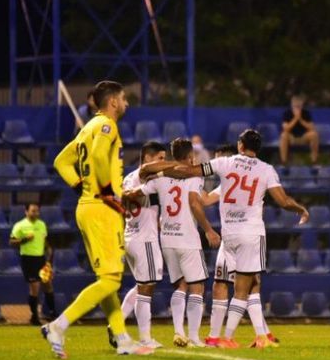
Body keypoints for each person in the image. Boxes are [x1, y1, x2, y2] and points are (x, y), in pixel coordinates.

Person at [141, 129, 309, 348]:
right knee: (247, 286)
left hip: (228, 235)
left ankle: (252, 334)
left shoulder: (225, 165)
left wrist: (159, 173)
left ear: (240, 145)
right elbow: (283, 200)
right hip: (251, 233)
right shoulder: (266, 170)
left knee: (224, 285)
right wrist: (300, 209)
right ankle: (232, 337)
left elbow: (190, 173)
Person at [45, 80, 152, 358]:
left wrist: (80, 185)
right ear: (113, 102)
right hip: (102, 210)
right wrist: (105, 190)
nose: (127, 103)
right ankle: (59, 325)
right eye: (124, 98)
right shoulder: (107, 126)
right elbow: (98, 155)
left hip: (87, 206)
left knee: (107, 279)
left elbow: (60, 162)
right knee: (111, 281)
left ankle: (122, 337)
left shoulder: (86, 129)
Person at [124, 138, 221, 348]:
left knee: (180, 285)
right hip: (187, 238)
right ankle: (194, 337)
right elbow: (195, 202)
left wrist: (126, 194)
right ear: (190, 157)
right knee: (197, 287)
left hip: (167, 239)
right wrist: (209, 230)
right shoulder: (194, 175)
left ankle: (178, 331)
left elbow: (138, 192)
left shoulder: (161, 176)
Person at [201, 147, 278, 348]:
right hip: (233, 241)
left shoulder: (239, 177)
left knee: (250, 284)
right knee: (223, 284)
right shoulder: (227, 183)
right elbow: (205, 199)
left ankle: (261, 334)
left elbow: (205, 200)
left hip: (242, 238)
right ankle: (216, 337)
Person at [108, 141, 167, 349]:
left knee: (142, 285)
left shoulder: (128, 178)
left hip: (131, 235)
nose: (163, 162)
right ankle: (145, 338)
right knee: (147, 289)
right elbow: (147, 170)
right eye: (160, 158)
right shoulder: (143, 174)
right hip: (145, 238)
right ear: (148, 158)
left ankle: (117, 323)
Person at [10, 203, 55, 326]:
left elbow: (44, 240)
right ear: (26, 211)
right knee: (35, 287)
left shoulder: (41, 225)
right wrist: (24, 239)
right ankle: (34, 316)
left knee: (48, 285)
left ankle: (53, 313)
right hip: (28, 259)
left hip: (41, 259)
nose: (35, 213)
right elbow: (12, 241)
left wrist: (49, 251)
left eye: (37, 211)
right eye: (33, 211)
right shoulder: (20, 225)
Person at [280, 94, 319, 164]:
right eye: (295, 106)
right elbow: (286, 128)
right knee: (284, 135)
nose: (297, 108)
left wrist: (300, 119)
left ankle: (314, 161)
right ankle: (284, 162)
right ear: (292, 105)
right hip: (291, 137)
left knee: (314, 134)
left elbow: (312, 127)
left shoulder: (306, 113)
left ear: (302, 105)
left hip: (304, 137)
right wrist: (295, 119)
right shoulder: (287, 113)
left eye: (299, 106)